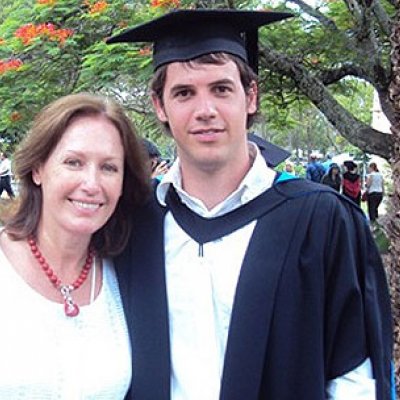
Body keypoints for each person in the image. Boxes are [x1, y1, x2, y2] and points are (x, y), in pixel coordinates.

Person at [107, 9, 393, 400]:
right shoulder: (135, 222)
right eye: (184, 92)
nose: (205, 110)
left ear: (250, 96)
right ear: (160, 106)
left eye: (222, 89)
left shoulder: (321, 220)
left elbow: (355, 376)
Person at [0, 93, 150, 398]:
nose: (91, 183)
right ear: (38, 169)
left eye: (109, 167)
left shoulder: (126, 276)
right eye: (73, 162)